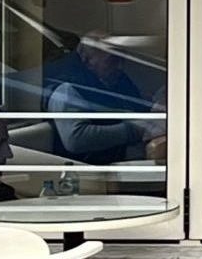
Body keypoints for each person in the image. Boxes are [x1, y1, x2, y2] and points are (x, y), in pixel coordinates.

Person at [46, 32, 165, 166]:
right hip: (90, 168)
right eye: (112, 61)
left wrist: (154, 108)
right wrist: (138, 129)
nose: (120, 66)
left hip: (122, 159)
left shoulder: (116, 81)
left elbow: (136, 109)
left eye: (121, 60)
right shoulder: (67, 89)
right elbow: (75, 139)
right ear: (87, 61)